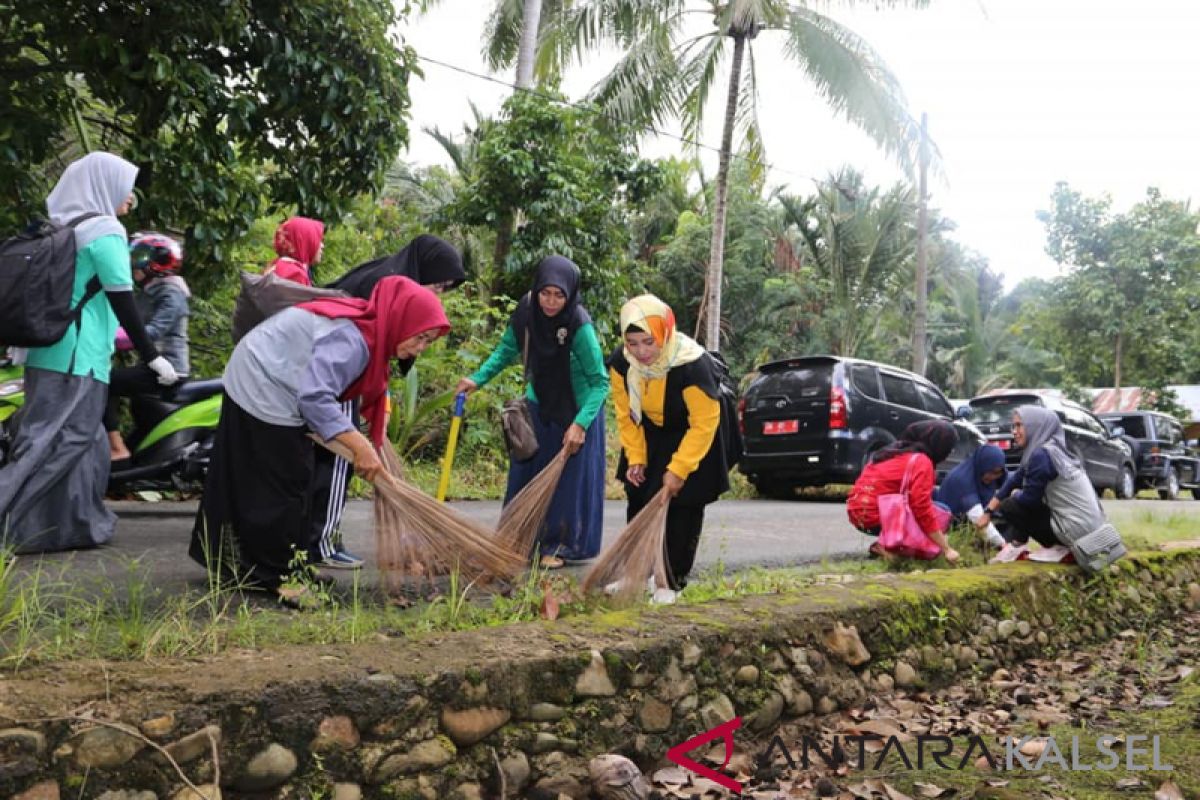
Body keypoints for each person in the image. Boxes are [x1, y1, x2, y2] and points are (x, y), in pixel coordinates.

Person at [189, 276, 449, 602]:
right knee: (285, 483)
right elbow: (315, 398)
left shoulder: (369, 333)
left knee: (270, 479)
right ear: (400, 318)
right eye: (420, 337)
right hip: (264, 380)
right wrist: (359, 446)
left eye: (428, 342)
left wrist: (359, 446)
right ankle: (278, 577)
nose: (419, 348)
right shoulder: (354, 340)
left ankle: (256, 565)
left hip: (270, 376)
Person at [0, 152, 177, 553]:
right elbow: (122, 298)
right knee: (56, 442)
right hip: (75, 357)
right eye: (125, 187)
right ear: (104, 185)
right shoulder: (105, 231)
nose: (130, 198)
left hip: (53, 352)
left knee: (90, 443)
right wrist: (152, 356)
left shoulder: (65, 226)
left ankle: (71, 526)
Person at [307, 234, 467, 568]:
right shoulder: (392, 283)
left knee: (332, 458)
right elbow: (369, 339)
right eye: (438, 285)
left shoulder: (387, 274)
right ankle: (322, 543)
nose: (437, 294)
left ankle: (315, 537)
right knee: (341, 460)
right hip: (339, 377)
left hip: (330, 369)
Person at [455, 256, 609, 568]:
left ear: (569, 295)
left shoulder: (578, 325)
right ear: (536, 289)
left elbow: (600, 383)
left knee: (565, 483)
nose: (551, 302)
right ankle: (520, 540)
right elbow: (506, 350)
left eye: (559, 295)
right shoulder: (527, 312)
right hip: (539, 405)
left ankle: (558, 546)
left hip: (578, 410)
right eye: (545, 293)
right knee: (526, 475)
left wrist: (580, 425)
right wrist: (477, 379)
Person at [609, 295, 731, 603]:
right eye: (633, 343)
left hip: (693, 433)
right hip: (649, 430)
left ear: (664, 332)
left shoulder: (692, 365)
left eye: (648, 342)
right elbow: (626, 414)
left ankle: (670, 584)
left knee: (683, 507)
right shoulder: (622, 363)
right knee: (638, 496)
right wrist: (636, 457)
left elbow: (704, 424)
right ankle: (635, 573)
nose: (642, 352)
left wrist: (678, 470)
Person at [982, 406, 1107, 564]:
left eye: (1020, 425)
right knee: (1018, 499)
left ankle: (1058, 546)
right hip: (1091, 527)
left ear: (1035, 426)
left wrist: (1015, 495)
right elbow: (1015, 479)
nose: (1014, 431)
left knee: (1011, 504)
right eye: (1014, 426)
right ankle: (1017, 546)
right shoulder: (1054, 450)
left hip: (1075, 529)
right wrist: (988, 511)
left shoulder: (1042, 455)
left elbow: (1030, 500)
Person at [106, 232, 191, 461]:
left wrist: (113, 338)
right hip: (153, 366)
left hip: (169, 368)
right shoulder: (151, 291)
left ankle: (116, 447)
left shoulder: (171, 292)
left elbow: (152, 331)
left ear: (157, 264)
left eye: (140, 258)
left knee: (105, 382)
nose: (134, 263)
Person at [847, 419, 961, 563]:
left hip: (857, 512)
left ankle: (891, 545)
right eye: (948, 448)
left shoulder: (888, 452)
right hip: (875, 516)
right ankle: (892, 548)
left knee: (932, 495)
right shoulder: (922, 461)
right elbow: (921, 508)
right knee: (943, 511)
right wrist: (946, 548)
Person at [935, 444, 1008, 549]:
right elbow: (978, 518)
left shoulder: (988, 474)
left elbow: (1010, 483)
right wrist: (1003, 544)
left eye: (997, 473)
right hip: (954, 528)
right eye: (990, 472)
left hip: (975, 521)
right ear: (982, 466)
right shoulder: (963, 480)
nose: (993, 477)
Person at [265, 216, 325, 286]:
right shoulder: (295, 275)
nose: (322, 246)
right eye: (317, 241)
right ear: (305, 243)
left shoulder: (279, 264)